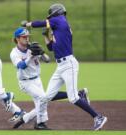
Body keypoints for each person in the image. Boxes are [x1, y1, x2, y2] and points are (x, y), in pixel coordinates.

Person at [21, 3, 107, 131]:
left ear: (56, 12)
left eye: (51, 14)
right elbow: (51, 48)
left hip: (69, 64)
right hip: (60, 66)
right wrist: (46, 36)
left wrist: (28, 24)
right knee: (46, 97)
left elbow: (41, 23)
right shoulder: (59, 27)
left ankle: (98, 117)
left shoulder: (59, 19)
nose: (50, 17)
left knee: (73, 98)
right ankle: (80, 93)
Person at [10, 27, 90, 130]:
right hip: (26, 82)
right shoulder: (14, 53)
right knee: (44, 98)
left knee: (43, 101)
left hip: (37, 80)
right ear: (17, 39)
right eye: (24, 37)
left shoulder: (32, 47)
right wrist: (30, 57)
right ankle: (40, 124)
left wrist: (41, 52)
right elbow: (21, 66)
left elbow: (47, 60)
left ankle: (25, 118)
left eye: (28, 37)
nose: (27, 39)